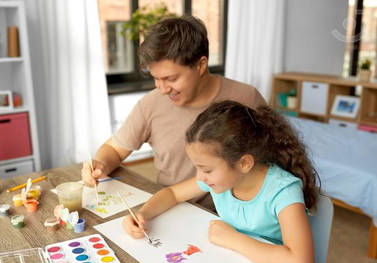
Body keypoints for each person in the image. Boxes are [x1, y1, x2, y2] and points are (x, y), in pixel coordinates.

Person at [81, 16, 266, 209]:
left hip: (234, 215)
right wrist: (100, 165)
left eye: (170, 78)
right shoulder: (152, 103)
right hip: (168, 206)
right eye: (156, 78)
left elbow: (274, 162)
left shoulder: (246, 98)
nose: (162, 89)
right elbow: (113, 149)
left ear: (201, 65)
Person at [123, 101, 318, 263]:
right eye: (197, 168)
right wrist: (143, 214)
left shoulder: (283, 191)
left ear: (244, 163)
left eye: (206, 169)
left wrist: (233, 239)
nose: (199, 177)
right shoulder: (222, 179)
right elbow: (172, 194)